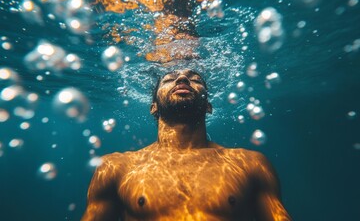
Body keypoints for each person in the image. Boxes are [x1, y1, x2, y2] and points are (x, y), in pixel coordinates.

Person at [82, 69, 292, 221]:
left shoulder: (249, 164)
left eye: (195, 79)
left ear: (208, 106)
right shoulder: (116, 167)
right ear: (153, 107)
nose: (182, 78)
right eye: (169, 79)